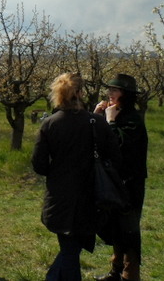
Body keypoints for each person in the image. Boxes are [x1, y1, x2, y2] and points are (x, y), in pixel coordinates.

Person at [32, 73, 122, 281]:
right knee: (72, 249)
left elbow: (39, 165)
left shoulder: (50, 124)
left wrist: (58, 172)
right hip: (91, 196)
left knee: (69, 248)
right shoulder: (97, 123)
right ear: (80, 93)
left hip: (61, 196)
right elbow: (115, 157)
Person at [93, 74, 148, 281]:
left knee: (130, 230)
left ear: (125, 95)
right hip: (114, 181)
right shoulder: (115, 113)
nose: (110, 94)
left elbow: (122, 148)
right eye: (110, 90)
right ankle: (115, 271)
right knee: (116, 226)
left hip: (130, 183)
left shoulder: (132, 119)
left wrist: (110, 121)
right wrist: (98, 116)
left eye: (115, 91)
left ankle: (130, 274)